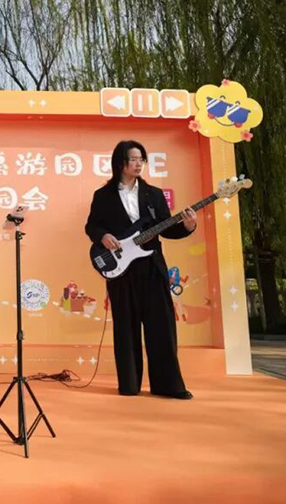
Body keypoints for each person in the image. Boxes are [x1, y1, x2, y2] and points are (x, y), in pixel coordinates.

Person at [84, 140, 197, 400]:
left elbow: (167, 228)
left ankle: (168, 385)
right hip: (121, 269)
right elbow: (91, 226)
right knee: (126, 327)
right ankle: (129, 384)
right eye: (133, 159)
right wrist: (103, 236)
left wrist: (188, 226)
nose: (138, 164)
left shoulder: (153, 194)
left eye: (141, 159)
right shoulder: (103, 196)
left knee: (162, 326)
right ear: (120, 162)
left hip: (152, 267)